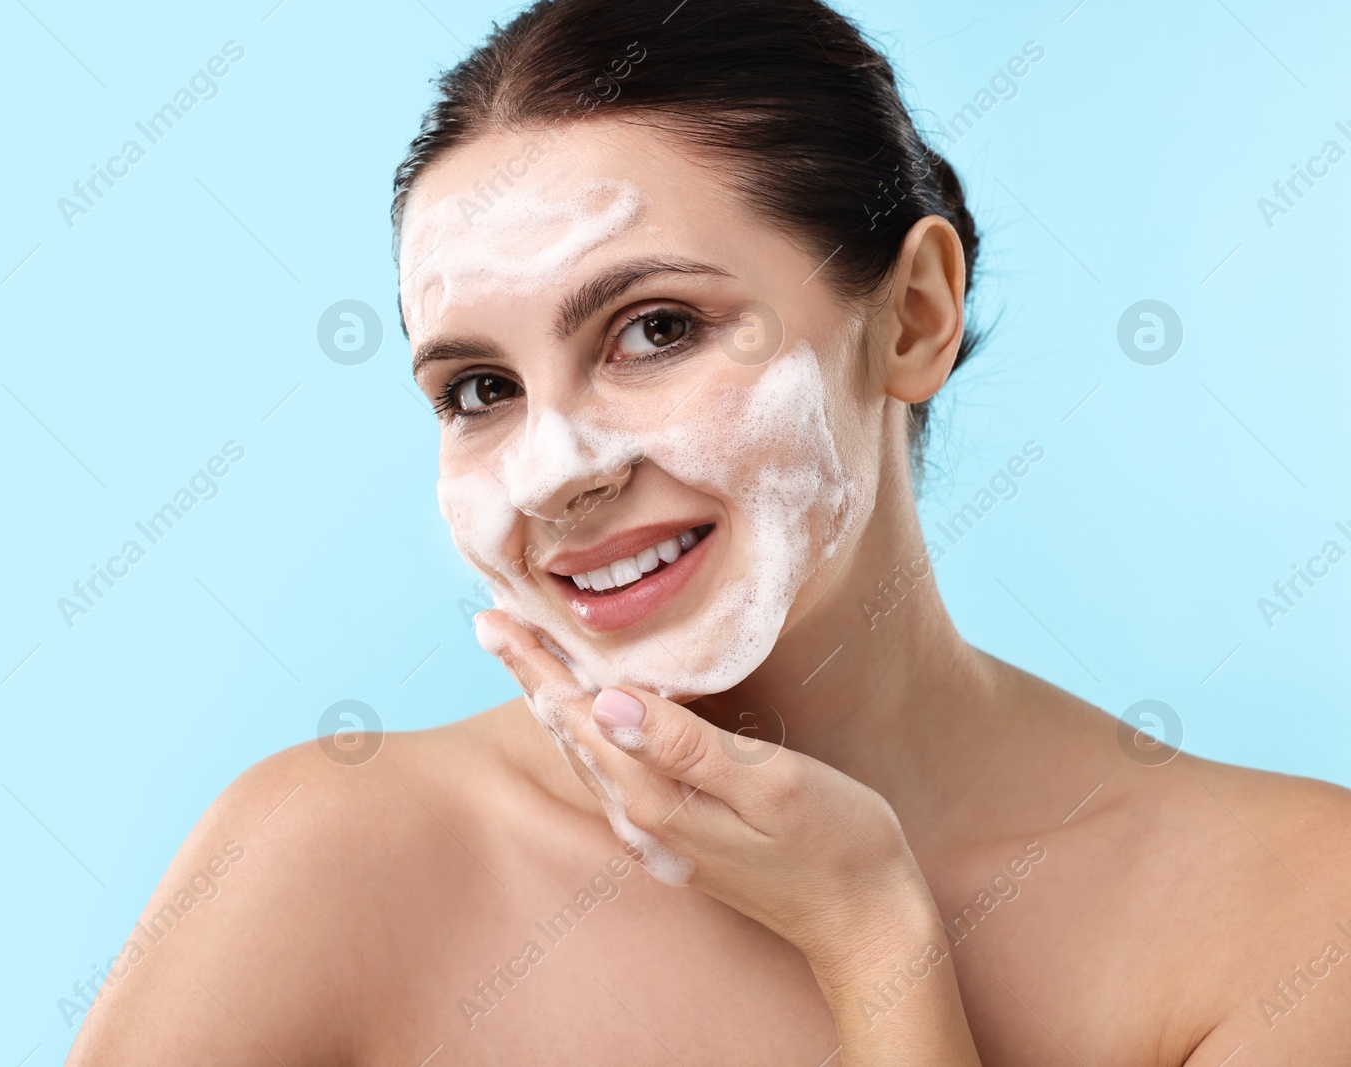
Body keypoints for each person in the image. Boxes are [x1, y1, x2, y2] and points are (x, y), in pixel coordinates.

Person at [66, 2, 1351, 1062]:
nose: (552, 473)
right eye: (480, 390)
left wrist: (876, 942)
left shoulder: (1293, 904)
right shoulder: (321, 855)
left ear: (910, 316)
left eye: (655, 328)